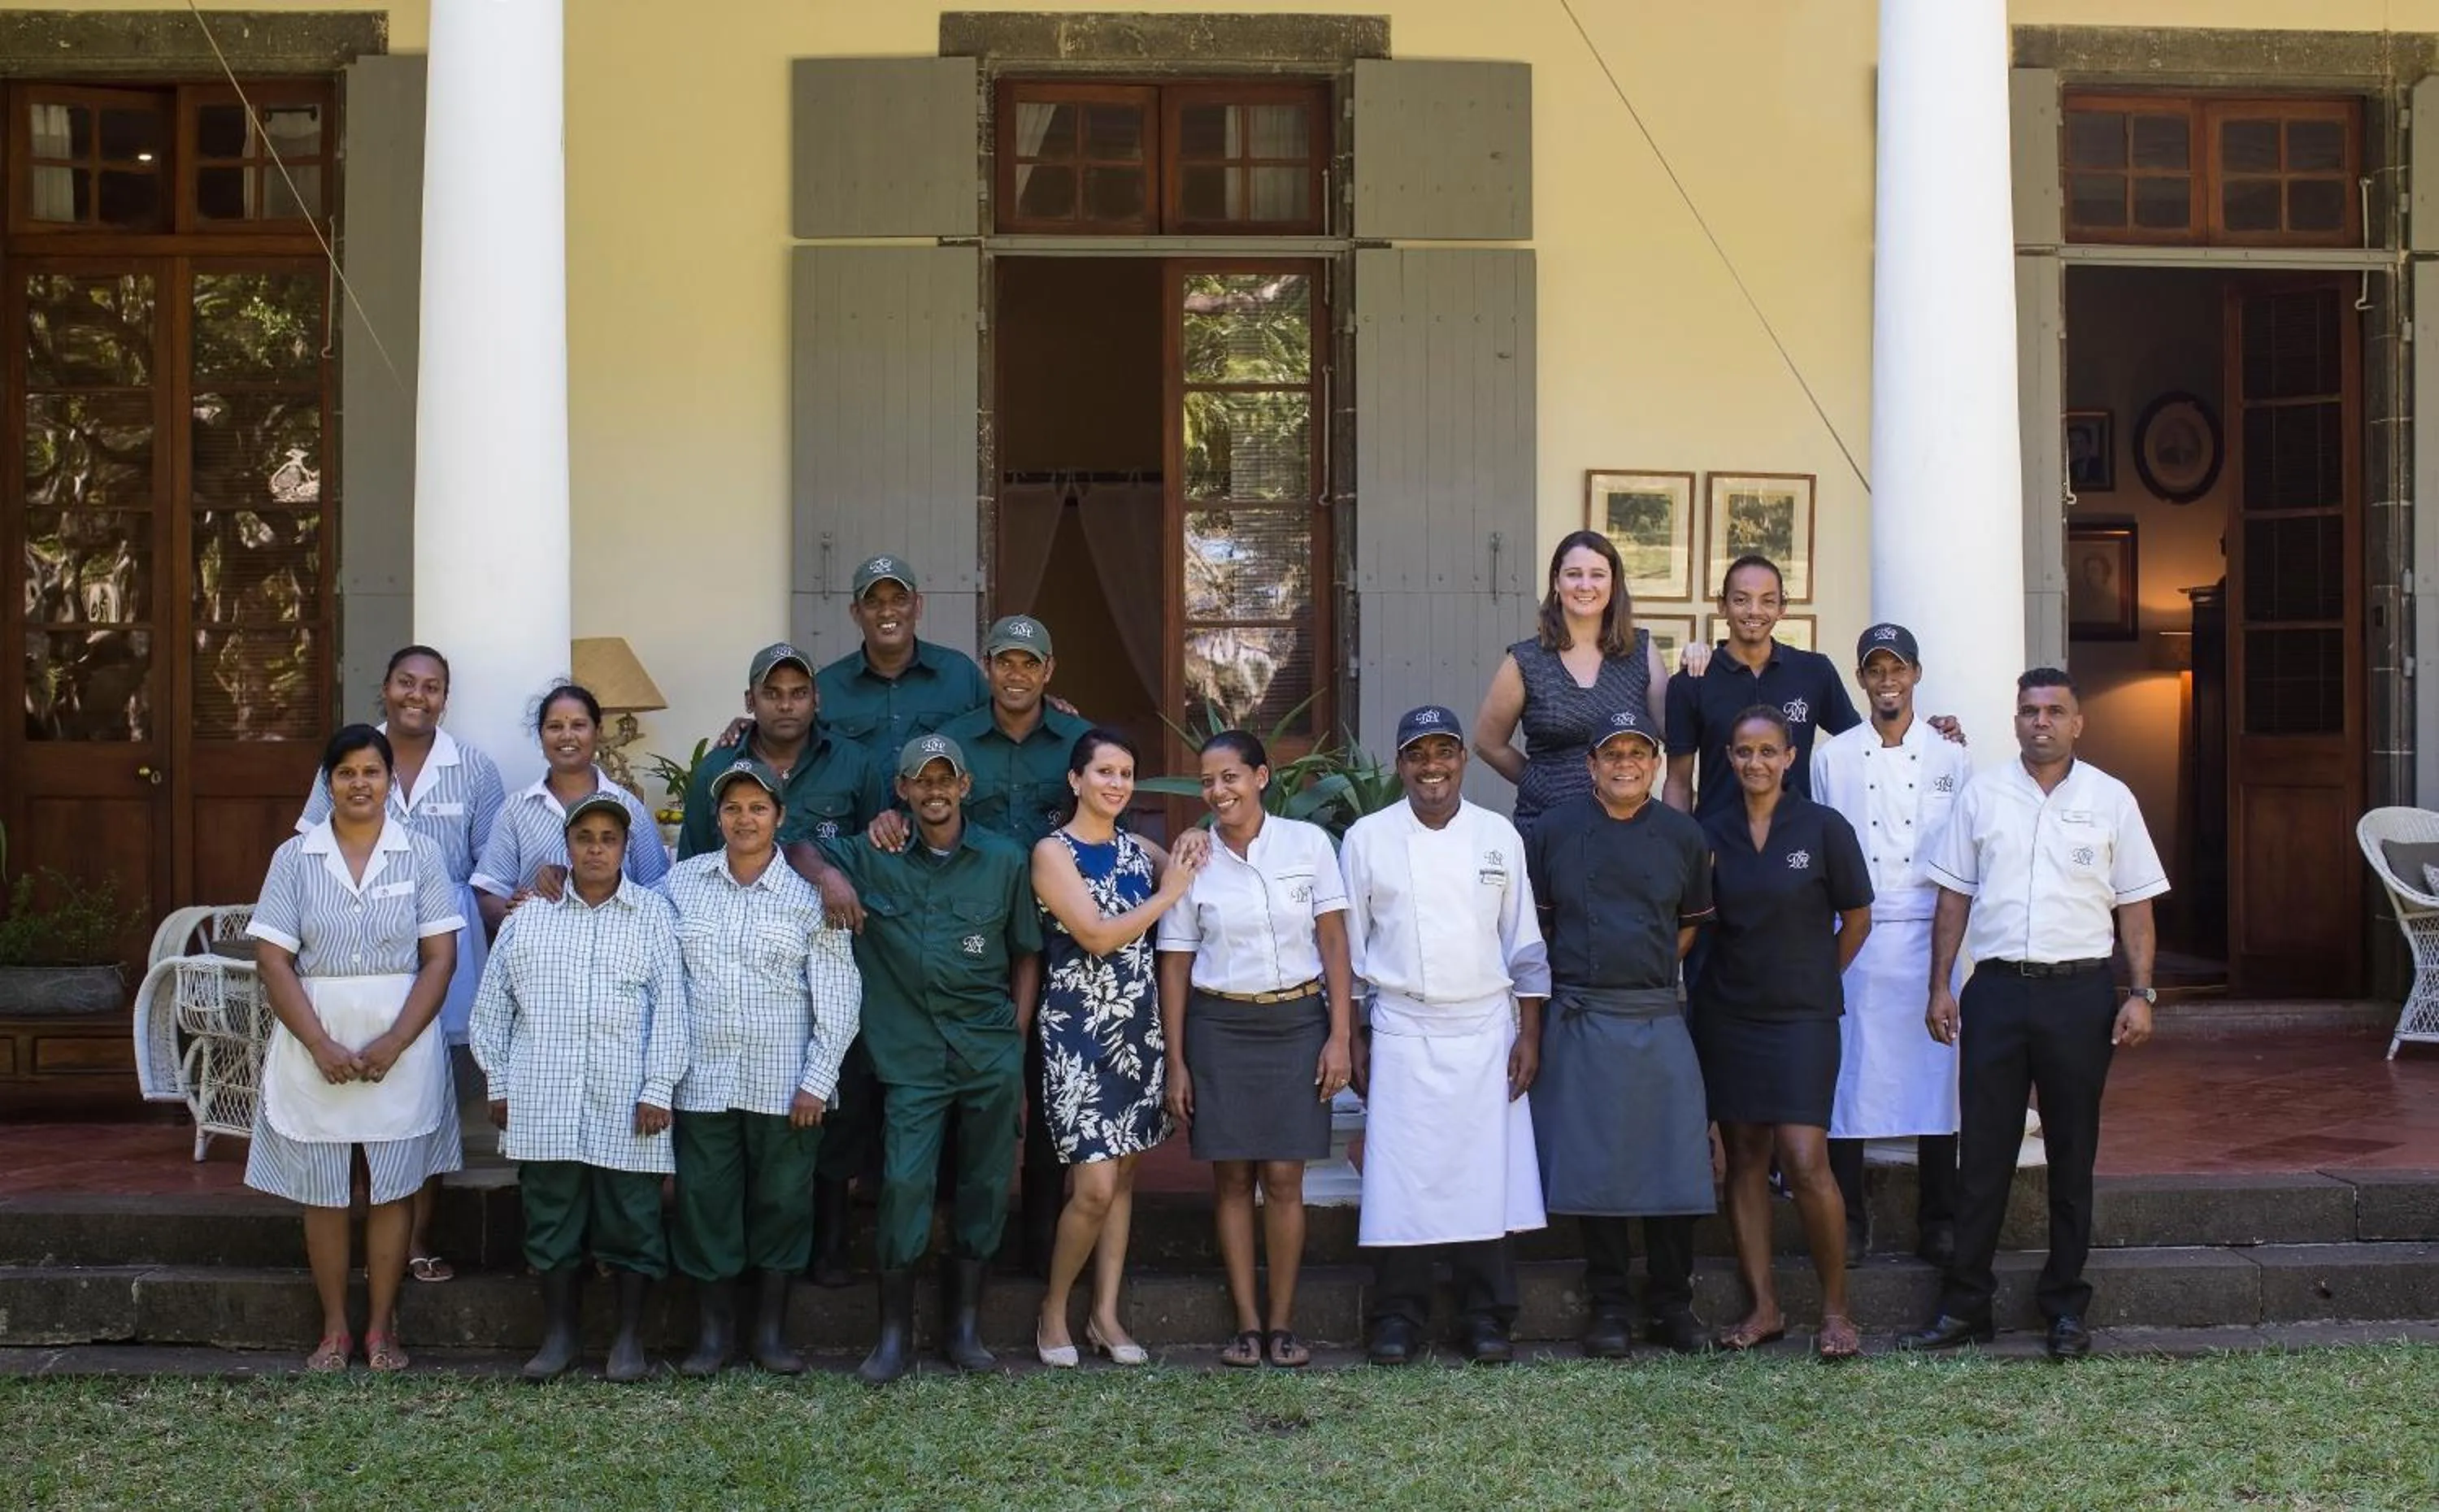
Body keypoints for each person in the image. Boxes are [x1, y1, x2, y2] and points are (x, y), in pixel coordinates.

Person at [1901, 669, 2168, 1362]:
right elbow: (1954, 898)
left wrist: (2141, 993)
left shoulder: (2112, 800)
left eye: (2054, 710)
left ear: (2079, 722)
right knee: (1983, 1152)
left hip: (2079, 994)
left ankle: (2065, 1308)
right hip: (1995, 993)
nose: (2040, 721)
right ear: (2015, 720)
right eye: (2028, 711)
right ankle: (1966, 1305)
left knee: (2072, 1152)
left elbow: (2134, 905)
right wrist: (1941, 987)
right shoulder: (1982, 794)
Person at [819, 733, 1044, 1384]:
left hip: (987, 1052)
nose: (935, 791)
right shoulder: (872, 853)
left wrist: (1016, 1038)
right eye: (922, 781)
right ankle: (893, 1337)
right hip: (910, 1055)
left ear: (965, 787)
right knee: (905, 1183)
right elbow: (797, 849)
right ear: (903, 790)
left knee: (983, 1183)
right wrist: (833, 874)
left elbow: (1026, 952)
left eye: (946, 780)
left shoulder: (1004, 860)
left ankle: (964, 1329)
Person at [247, 724, 464, 1372]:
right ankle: (335, 1327)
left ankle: (381, 1329)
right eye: (346, 773)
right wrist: (318, 1042)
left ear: (390, 781)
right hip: (317, 1041)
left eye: (372, 771)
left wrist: (397, 1040)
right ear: (328, 783)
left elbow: (440, 958)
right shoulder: (295, 858)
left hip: (403, 1041)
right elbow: (273, 958)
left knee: (395, 1186)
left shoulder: (420, 854)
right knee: (324, 1189)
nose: (360, 783)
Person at [1341, 706, 1549, 1366]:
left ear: (1463, 759)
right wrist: (1353, 1038)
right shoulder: (1367, 839)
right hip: (1402, 1027)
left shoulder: (1498, 837)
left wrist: (1530, 1036)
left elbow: (1525, 947)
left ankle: (1486, 1317)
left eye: (1445, 752)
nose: (1432, 767)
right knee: (1402, 1185)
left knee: (1485, 1180)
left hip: (1486, 1028)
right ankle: (1397, 1318)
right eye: (1417, 754)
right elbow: (1348, 954)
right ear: (1401, 764)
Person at [678, 640, 886, 1286]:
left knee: (831, 1107)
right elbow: (688, 864)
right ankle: (733, 1282)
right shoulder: (720, 766)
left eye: (799, 692)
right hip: (733, 974)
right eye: (773, 692)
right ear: (751, 701)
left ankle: (826, 1252)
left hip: (837, 956)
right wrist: (813, 864)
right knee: (737, 1143)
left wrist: (831, 873)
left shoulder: (856, 763)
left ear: (816, 699)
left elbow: (880, 845)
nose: (787, 704)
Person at [297, 645, 502, 1285]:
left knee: (425, 1098)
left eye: (433, 686)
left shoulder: (473, 767)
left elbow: (490, 866)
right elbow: (309, 843)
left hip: (445, 957)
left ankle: (414, 1240)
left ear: (446, 697)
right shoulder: (353, 755)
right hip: (353, 959)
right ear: (384, 688)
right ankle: (357, 1233)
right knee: (354, 1090)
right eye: (407, 683)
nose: (419, 695)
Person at [467, 792, 689, 1383]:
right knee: (551, 1217)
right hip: (545, 1095)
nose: (596, 848)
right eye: (584, 837)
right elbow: (494, 1008)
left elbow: (672, 1009)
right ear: (566, 846)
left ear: (624, 848)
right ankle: (559, 1337)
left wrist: (658, 1087)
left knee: (633, 1217)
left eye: (609, 838)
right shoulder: (529, 917)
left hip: (628, 1098)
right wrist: (499, 1081)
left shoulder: (653, 915)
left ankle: (627, 1342)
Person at [1157, 730, 1355, 1369]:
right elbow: (1177, 964)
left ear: (1263, 777)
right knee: (1234, 1178)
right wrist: (1177, 1059)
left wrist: (1341, 1036)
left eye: (1231, 777)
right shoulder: (1194, 858)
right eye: (1208, 781)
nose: (1218, 791)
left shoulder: (1308, 846)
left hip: (1298, 1022)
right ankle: (1246, 1326)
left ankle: (1283, 1324)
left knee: (1285, 1177)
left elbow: (1334, 944)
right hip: (1219, 1027)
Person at [1523, 707, 1716, 1358]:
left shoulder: (1683, 836)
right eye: (1613, 754)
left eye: (1638, 753)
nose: (1626, 764)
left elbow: (1688, 924)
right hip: (1583, 1014)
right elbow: (1541, 928)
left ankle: (1672, 1303)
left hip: (1657, 1011)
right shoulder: (1553, 832)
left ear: (1656, 765)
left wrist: (1651, 969)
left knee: (1673, 1163)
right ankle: (1608, 1304)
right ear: (1591, 766)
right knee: (1596, 1167)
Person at [664, 756, 862, 1376]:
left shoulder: (811, 897)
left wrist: (817, 1080)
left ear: (779, 816)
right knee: (706, 1202)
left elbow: (839, 995)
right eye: (732, 808)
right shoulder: (681, 883)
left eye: (757, 807)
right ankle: (713, 1337)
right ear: (716, 817)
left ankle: (771, 1335)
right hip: (703, 1081)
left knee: (782, 1202)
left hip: (787, 1088)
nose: (744, 819)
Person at [1694, 705, 1874, 1358]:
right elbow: (1698, 922)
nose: (1756, 763)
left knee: (1804, 1158)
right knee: (1743, 1156)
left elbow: (1857, 917)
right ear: (1730, 760)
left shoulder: (1824, 828)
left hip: (1803, 1018)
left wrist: (1818, 975)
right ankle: (1763, 1306)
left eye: (1769, 751)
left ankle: (1836, 1312)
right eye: (1743, 752)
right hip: (1730, 1014)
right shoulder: (1710, 832)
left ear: (1790, 757)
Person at [918, 612, 1089, 1273]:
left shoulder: (1077, 741)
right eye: (1003, 661)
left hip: (1064, 943)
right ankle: (961, 1248)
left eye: (1029, 663)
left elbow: (1108, 822)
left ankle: (1040, 1242)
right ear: (985, 667)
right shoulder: (953, 742)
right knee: (966, 1092)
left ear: (1049, 671)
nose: (1015, 675)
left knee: (1051, 1090)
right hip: (975, 946)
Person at [1032, 728, 1205, 1366]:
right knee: (1095, 1186)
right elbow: (1096, 936)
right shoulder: (1053, 852)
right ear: (1076, 780)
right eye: (1104, 771)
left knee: (1126, 1175)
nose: (1116, 783)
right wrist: (1167, 896)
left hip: (1138, 1027)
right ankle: (1054, 1310)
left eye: (1127, 773)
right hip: (1078, 1031)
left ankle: (1104, 1315)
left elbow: (1192, 865)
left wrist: (1192, 840)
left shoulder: (1138, 848)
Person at [1809, 624, 1970, 1267]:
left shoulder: (1951, 756)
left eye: (1897, 668)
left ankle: (1941, 1218)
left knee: (1940, 1077)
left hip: (1933, 933)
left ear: (1916, 674)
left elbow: (1962, 857)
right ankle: (1849, 1217)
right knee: (1848, 1078)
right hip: (1857, 932)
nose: (1886, 681)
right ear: (1861, 680)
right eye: (1875, 670)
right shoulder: (1833, 756)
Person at [1472, 530, 1670, 835]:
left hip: (1626, 827)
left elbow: (1671, 730)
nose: (1585, 585)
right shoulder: (1525, 660)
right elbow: (1488, 743)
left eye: (1598, 575)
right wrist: (1536, 779)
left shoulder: (1642, 651)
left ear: (1613, 583)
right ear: (1556, 581)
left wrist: (1698, 663)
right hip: (1547, 827)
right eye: (1574, 574)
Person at [1662, 558, 1860, 822]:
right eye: (1742, 600)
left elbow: (1862, 744)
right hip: (1717, 844)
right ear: (1722, 605)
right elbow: (1678, 782)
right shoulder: (1691, 683)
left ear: (1782, 608)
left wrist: (1924, 731)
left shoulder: (1815, 672)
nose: (1754, 611)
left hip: (1795, 840)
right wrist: (1679, 853)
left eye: (1767, 601)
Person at [470, 683, 667, 938]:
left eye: (578, 725)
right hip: (539, 957)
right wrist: (515, 915)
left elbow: (657, 887)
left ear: (598, 731)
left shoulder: (628, 807)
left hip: (618, 953)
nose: (566, 736)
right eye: (555, 727)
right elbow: (489, 892)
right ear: (540, 735)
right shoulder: (516, 810)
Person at [814, 554, 989, 763]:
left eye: (899, 599)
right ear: (856, 613)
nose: (887, 612)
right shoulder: (827, 688)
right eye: (872, 602)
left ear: (918, 606)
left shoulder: (960, 675)